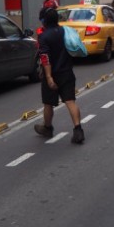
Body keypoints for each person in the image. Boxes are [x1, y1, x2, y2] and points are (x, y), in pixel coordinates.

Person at [35, 8, 85, 144]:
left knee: (48, 103)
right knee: (70, 101)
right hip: (67, 71)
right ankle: (78, 130)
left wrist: (49, 77)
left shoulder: (44, 37)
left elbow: (45, 58)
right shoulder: (65, 31)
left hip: (52, 74)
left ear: (44, 20)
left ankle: (47, 128)